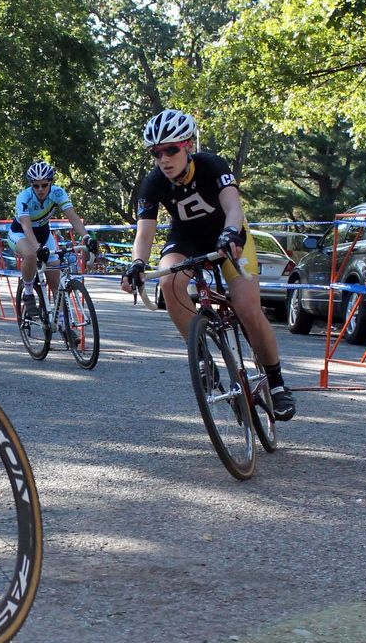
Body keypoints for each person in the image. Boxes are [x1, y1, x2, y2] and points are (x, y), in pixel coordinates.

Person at [120, 109, 296, 420]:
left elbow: (232, 206)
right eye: (156, 152)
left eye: (171, 149)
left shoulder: (212, 165)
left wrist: (231, 232)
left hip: (228, 234)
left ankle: (278, 383)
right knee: (169, 282)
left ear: (188, 146)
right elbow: (145, 233)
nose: (164, 158)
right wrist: (136, 264)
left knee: (247, 308)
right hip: (186, 238)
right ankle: (202, 355)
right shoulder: (153, 182)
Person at [8, 161, 94, 326]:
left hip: (44, 233)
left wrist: (86, 237)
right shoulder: (24, 197)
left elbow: (73, 218)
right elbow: (26, 226)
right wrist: (38, 248)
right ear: (31, 185)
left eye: (44, 185)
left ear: (51, 183)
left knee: (55, 281)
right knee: (31, 255)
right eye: (36, 185)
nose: (40, 189)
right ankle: (27, 293)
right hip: (20, 233)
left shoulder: (58, 193)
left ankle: (63, 325)